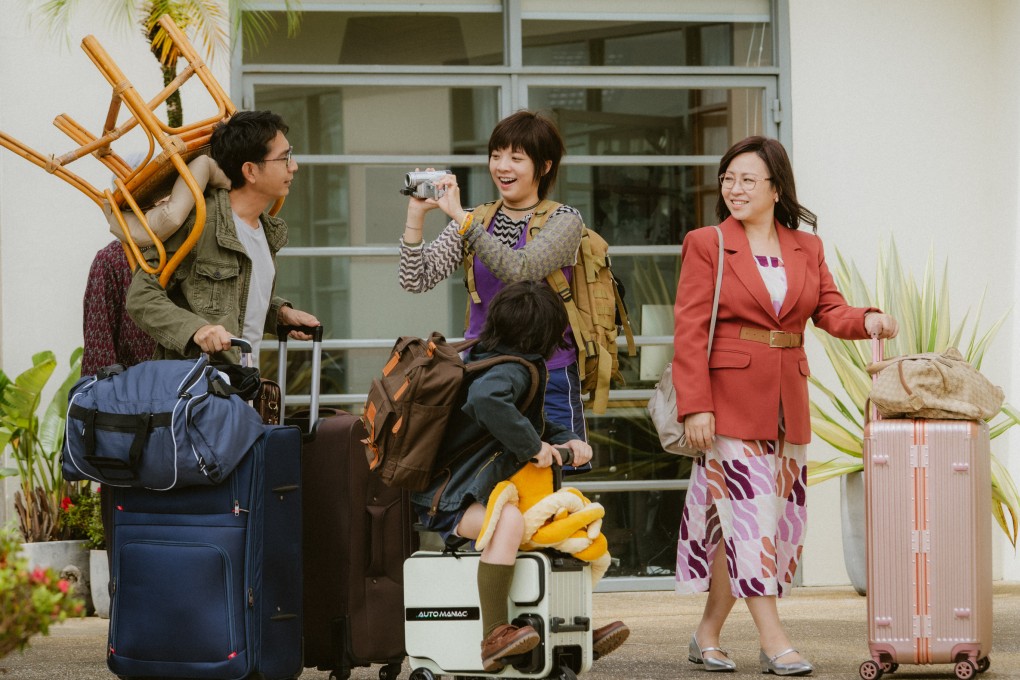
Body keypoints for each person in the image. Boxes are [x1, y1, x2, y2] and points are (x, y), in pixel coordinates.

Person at [672, 136, 898, 676]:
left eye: (748, 179)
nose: (735, 188)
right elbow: (688, 330)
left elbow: (830, 310)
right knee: (754, 522)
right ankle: (776, 642)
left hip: (785, 404)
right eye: (728, 178)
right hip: (726, 404)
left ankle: (705, 634)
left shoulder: (806, 248)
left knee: (752, 523)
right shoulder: (707, 243)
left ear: (776, 188)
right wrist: (695, 406)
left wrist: (866, 319)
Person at [412, 280, 629, 673]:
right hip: (449, 501)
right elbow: (487, 402)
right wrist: (533, 448)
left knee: (558, 528)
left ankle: (570, 627)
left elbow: (530, 423)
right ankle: (494, 635)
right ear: (543, 335)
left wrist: (567, 441)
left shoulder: (493, 358)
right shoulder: (511, 370)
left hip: (472, 493)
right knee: (510, 522)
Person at [398, 109, 588, 445]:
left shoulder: (564, 220)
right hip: (484, 373)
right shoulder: (476, 219)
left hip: (549, 373)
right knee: (487, 481)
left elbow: (520, 269)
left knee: (554, 484)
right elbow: (416, 278)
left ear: (543, 167)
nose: (502, 166)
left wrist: (460, 218)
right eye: (496, 155)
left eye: (516, 157)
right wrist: (416, 216)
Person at [126, 110, 318, 363]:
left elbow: (234, 302)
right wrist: (197, 330)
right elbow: (141, 297)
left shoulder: (266, 230)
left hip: (244, 388)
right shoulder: (199, 223)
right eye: (284, 158)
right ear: (250, 171)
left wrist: (280, 314)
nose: (294, 166)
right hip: (200, 391)